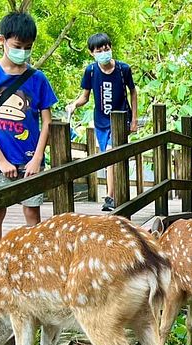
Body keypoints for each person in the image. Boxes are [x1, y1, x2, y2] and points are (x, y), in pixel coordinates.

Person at [0, 12, 58, 253]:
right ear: (2, 40)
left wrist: (37, 159)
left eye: (28, 47)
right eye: (18, 46)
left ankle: (38, 265)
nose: (23, 51)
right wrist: (0, 159)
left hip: (29, 157)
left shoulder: (38, 79)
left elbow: (47, 121)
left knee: (32, 213)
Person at [65, 32, 138, 212]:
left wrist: (134, 119)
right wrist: (74, 104)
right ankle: (114, 194)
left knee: (112, 153)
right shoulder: (91, 71)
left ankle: (111, 196)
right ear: (92, 53)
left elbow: (133, 92)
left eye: (106, 48)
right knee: (108, 159)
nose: (104, 52)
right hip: (101, 121)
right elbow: (85, 97)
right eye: (99, 50)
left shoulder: (123, 69)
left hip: (121, 119)